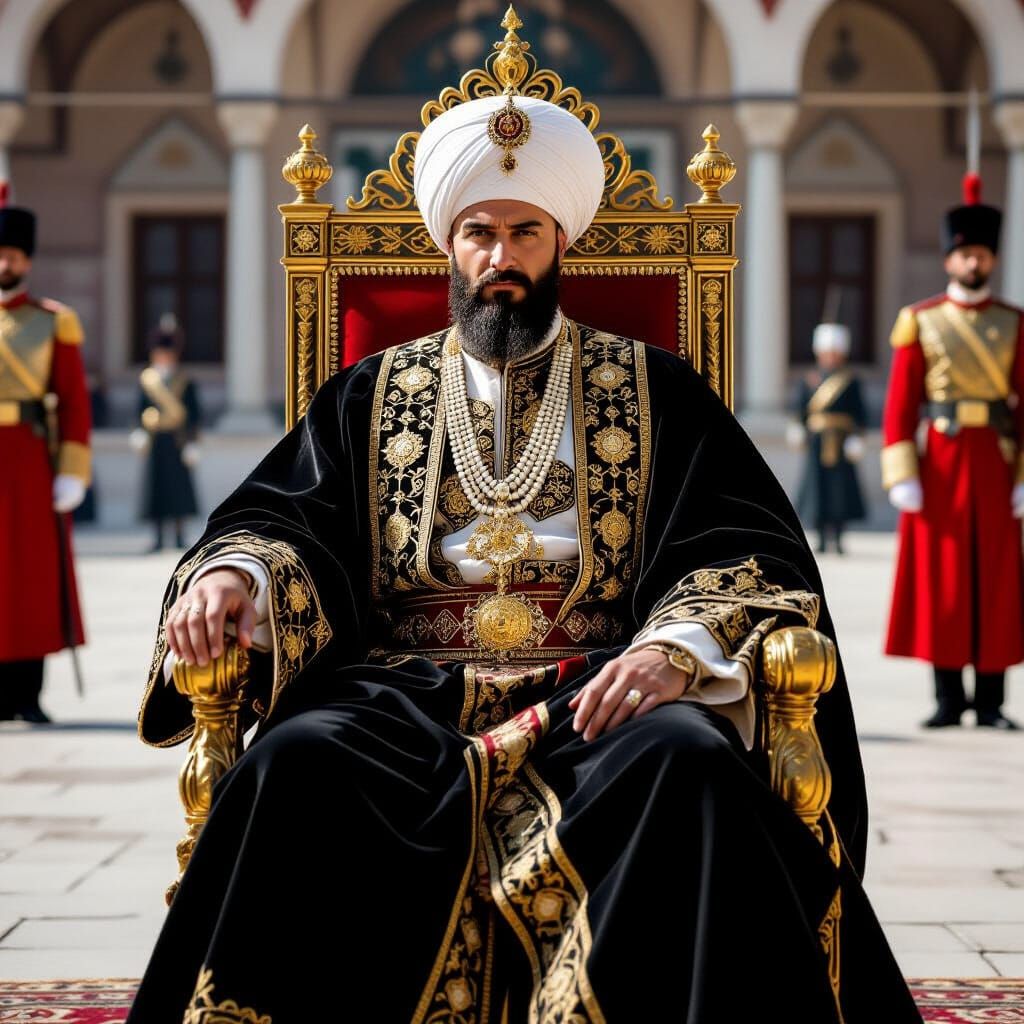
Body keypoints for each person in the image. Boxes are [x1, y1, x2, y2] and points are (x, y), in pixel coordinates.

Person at [129, 93, 922, 1022]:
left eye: (525, 232)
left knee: (692, 764)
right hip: (403, 691)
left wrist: (677, 649)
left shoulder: (657, 388)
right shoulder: (366, 393)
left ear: (560, 242)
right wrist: (239, 573)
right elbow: (288, 518)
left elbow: (747, 550)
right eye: (479, 232)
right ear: (447, 244)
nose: (501, 257)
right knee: (294, 762)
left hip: (599, 688)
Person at [882, 173, 1023, 731]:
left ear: (991, 259)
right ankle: (946, 698)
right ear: (949, 260)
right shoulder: (920, 321)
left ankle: (991, 701)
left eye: (981, 254)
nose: (973, 263)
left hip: (994, 457)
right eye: (965, 254)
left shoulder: (1015, 324)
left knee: (996, 578)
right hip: (939, 460)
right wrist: (901, 470)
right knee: (941, 577)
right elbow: (900, 404)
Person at [0, 188, 90, 723]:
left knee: (28, 578)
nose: (3, 262)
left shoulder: (54, 320)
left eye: (12, 253)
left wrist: (72, 471)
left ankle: (26, 693)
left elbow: (74, 400)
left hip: (30, 461)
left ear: (27, 259)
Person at [790, 322, 867, 554]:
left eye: (834, 352)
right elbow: (801, 409)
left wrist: (858, 437)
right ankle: (821, 538)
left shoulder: (850, 380)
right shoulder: (809, 379)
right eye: (827, 352)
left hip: (841, 440)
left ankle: (840, 538)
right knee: (817, 489)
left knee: (840, 491)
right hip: (816, 441)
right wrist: (797, 427)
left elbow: (859, 412)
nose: (830, 357)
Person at [132, 313, 200, 552]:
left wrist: (193, 442)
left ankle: (181, 536)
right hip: (156, 439)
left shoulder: (185, 381)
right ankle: (158, 538)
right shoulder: (147, 379)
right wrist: (140, 430)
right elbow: (139, 408)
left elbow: (193, 413)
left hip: (177, 439)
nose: (164, 356)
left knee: (179, 490)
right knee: (156, 490)